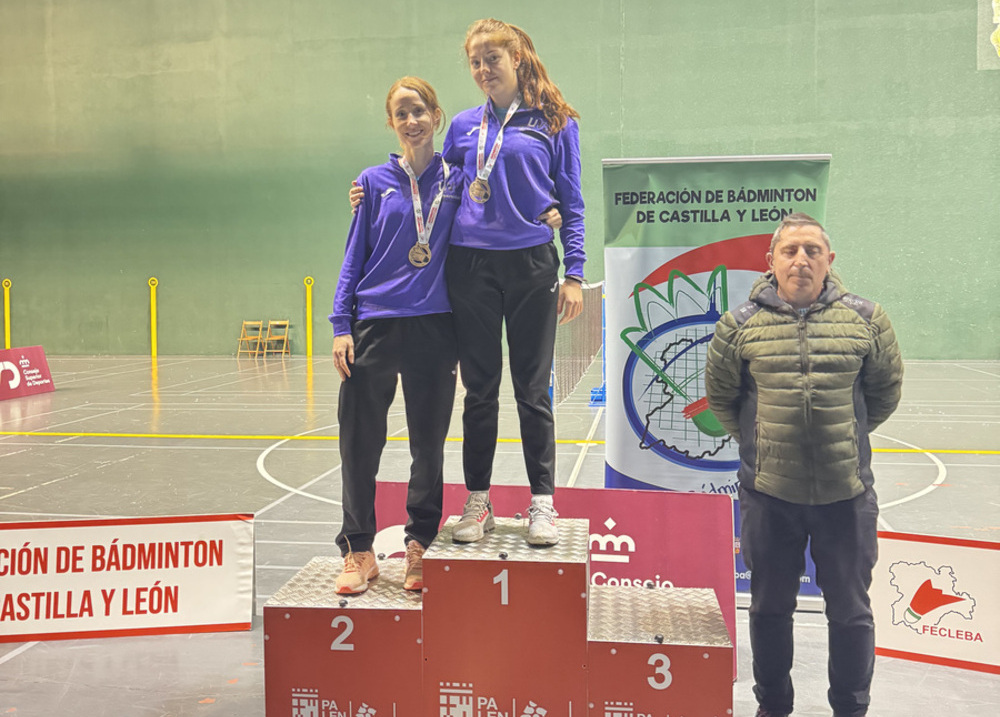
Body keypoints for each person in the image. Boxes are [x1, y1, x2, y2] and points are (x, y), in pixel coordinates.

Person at [351, 19, 586, 546]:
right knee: (480, 390)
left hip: (531, 267)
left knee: (532, 389)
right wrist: (370, 187)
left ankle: (542, 503)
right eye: (475, 61)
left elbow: (572, 201)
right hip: (470, 268)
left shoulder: (555, 122)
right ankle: (478, 500)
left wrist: (574, 272)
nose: (483, 69)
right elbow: (430, 178)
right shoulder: (460, 127)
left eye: (492, 58)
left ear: (517, 58)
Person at [705, 212, 903, 717]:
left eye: (812, 250)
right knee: (770, 611)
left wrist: (841, 443)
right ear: (770, 261)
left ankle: (851, 709)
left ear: (829, 261)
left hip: (847, 497)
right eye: (790, 250)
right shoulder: (739, 325)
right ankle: (773, 708)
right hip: (769, 497)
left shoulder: (867, 319)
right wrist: (768, 446)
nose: (801, 260)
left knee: (852, 614)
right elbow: (723, 399)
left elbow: (882, 395)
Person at [329, 77, 461, 595]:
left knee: (428, 446)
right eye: (402, 113)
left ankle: (419, 544)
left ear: (436, 114)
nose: (412, 120)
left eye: (420, 110)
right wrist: (342, 326)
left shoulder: (459, 180)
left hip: (435, 327)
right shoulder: (373, 180)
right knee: (359, 443)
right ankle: (358, 549)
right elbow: (352, 256)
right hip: (375, 325)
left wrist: (550, 213)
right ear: (392, 123)